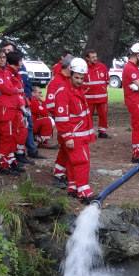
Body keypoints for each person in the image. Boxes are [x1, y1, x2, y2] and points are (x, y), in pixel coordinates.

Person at [52, 57, 96, 202]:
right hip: (74, 135)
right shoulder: (64, 92)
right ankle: (84, 191)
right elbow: (61, 117)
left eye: (82, 78)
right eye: (77, 77)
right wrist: (67, 137)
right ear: (70, 74)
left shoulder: (77, 90)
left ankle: (73, 187)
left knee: (73, 162)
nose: (79, 80)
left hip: (80, 134)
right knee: (82, 161)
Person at [0, 49, 25, 174]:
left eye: (3, 57)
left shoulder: (4, 72)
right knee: (5, 136)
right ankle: (3, 164)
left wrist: (14, 90)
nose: (2, 59)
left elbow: (10, 88)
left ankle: (10, 160)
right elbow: (6, 88)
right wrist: (16, 90)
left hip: (12, 108)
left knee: (12, 135)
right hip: (4, 109)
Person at [46, 55, 73, 184]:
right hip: (63, 120)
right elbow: (50, 104)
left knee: (66, 147)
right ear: (69, 67)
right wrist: (61, 115)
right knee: (65, 145)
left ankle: (62, 171)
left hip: (71, 120)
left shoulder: (68, 80)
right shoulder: (56, 82)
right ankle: (59, 173)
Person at [4, 51, 31, 166]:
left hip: (20, 106)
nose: (22, 63)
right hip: (14, 108)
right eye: (20, 60)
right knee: (14, 133)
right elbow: (14, 92)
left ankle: (19, 154)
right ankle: (9, 159)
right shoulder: (9, 74)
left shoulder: (15, 74)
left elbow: (21, 91)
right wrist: (22, 107)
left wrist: (26, 104)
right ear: (16, 61)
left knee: (22, 131)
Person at [84, 49, 110, 138]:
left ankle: (102, 131)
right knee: (88, 115)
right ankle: (89, 132)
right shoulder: (83, 68)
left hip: (102, 97)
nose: (95, 58)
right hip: (88, 98)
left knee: (103, 114)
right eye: (92, 57)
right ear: (87, 58)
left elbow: (107, 81)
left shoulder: (102, 66)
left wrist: (102, 89)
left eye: (96, 56)